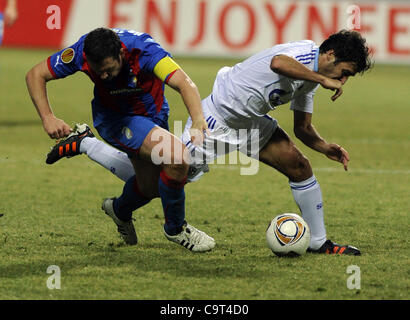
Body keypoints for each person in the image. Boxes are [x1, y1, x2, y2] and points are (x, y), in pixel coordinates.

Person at [43, 30, 372, 255]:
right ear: (329, 55)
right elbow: (278, 64)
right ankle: (85, 142)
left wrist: (324, 146)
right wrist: (323, 79)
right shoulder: (304, 55)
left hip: (251, 123)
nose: (342, 81)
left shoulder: (311, 79)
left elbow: (302, 128)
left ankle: (318, 242)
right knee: (158, 180)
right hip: (218, 118)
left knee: (299, 166)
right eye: (344, 72)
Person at [25, 27, 216, 252]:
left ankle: (118, 208)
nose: (104, 77)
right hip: (116, 119)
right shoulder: (81, 53)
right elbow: (35, 74)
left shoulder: (144, 51)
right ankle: (176, 229)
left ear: (121, 55)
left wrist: (197, 120)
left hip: (153, 115)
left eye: (109, 70)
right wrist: (48, 117)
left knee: (152, 186)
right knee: (177, 157)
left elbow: (185, 83)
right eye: (99, 72)